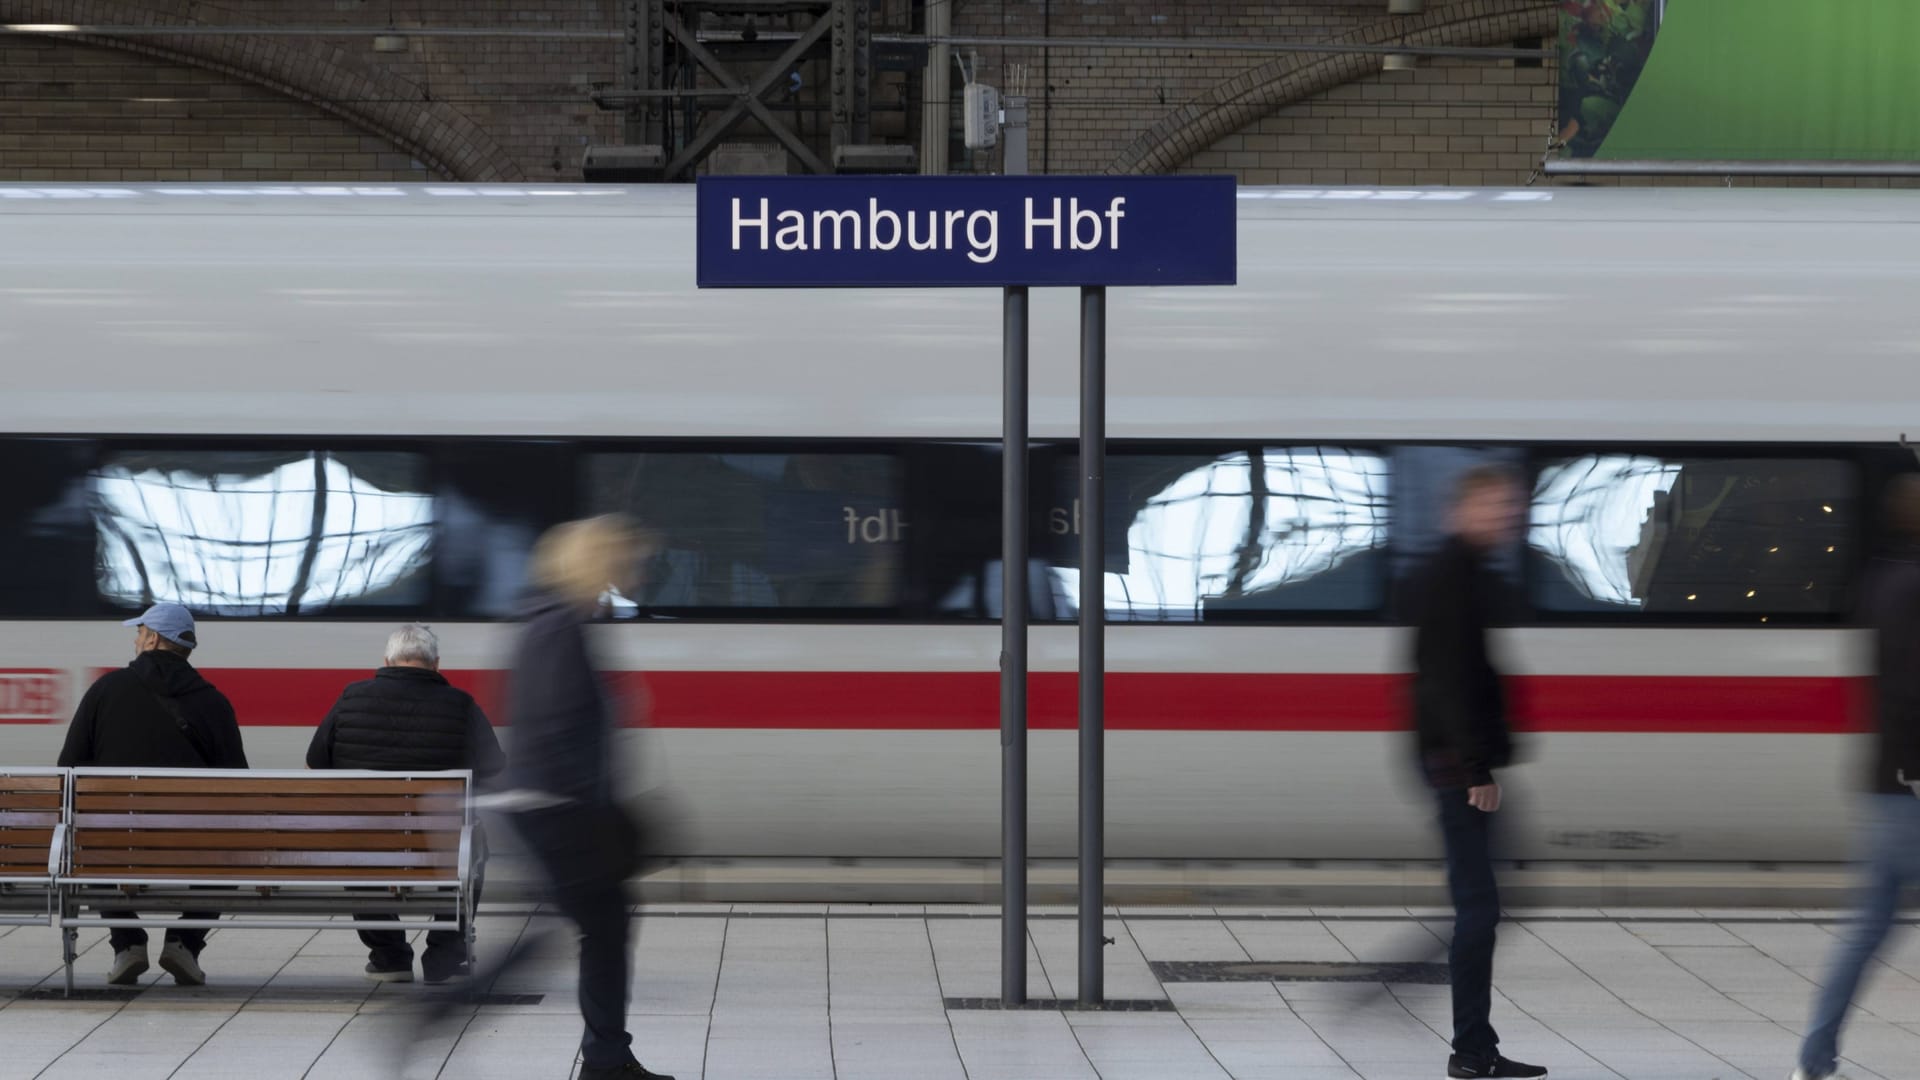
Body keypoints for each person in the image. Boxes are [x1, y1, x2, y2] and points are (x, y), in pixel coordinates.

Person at [495, 515, 674, 1080]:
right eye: (629, 562)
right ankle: (430, 1014)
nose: (637, 573)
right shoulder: (560, 627)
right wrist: (594, 811)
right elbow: (552, 728)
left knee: (595, 925)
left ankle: (606, 1056)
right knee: (589, 927)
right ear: (600, 563)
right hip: (559, 812)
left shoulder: (557, 620)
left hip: (557, 810)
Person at [1407, 466, 1547, 1080]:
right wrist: (1474, 769)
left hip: (1457, 765)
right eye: (1494, 508)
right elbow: (1447, 684)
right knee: (1479, 909)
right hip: (1456, 769)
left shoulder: (1464, 573)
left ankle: (1476, 1045)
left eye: (1510, 509)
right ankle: (1470, 1050)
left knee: (1483, 906)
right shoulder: (1450, 579)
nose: (1506, 518)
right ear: (1460, 510)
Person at [1791, 475, 1920, 1080]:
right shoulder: (1913, 585)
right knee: (1868, 929)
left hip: (1886, 784)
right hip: (1910, 789)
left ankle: (1815, 1056)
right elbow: (1907, 692)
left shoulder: (1881, 579)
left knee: (1867, 930)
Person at [57, 602, 247, 987]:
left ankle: (127, 943)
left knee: (86, 845)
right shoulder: (213, 700)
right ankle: (185, 942)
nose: (135, 637)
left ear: (153, 639)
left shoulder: (105, 690)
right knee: (230, 851)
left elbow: (69, 766)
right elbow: (238, 782)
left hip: (115, 841)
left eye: (139, 631)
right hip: (191, 844)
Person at [307, 623, 504, 985]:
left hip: (368, 839)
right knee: (469, 846)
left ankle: (390, 956)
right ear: (436, 664)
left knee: (359, 846)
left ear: (387, 660)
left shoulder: (352, 696)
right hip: (439, 840)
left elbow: (316, 762)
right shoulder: (461, 705)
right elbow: (494, 766)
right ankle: (443, 953)